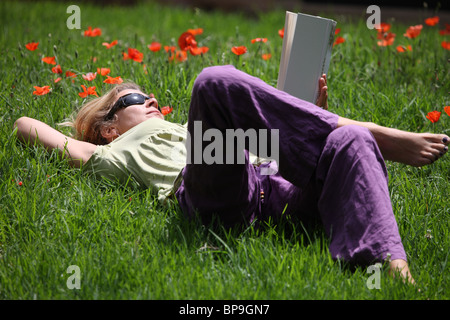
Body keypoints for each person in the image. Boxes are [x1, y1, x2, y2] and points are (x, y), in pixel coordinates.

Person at [14, 65, 449, 285]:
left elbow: (264, 141)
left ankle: (395, 270)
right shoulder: (109, 152)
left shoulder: (180, 126)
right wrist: (83, 139)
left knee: (348, 144)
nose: (151, 101)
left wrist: (301, 111)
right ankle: (373, 133)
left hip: (276, 185)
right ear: (108, 128)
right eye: (134, 97)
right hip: (213, 191)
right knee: (212, 81)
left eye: (150, 96)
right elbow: (24, 125)